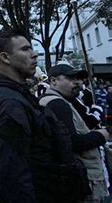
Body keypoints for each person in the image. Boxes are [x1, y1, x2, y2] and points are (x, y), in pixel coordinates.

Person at [0, 30, 88, 202]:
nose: (34, 54)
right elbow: (14, 174)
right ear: (5, 57)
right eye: (25, 49)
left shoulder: (11, 95)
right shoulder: (8, 102)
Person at [39, 64, 109, 202]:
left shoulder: (59, 101)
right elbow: (71, 143)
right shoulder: (57, 104)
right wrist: (101, 135)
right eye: (71, 78)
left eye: (80, 78)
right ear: (53, 81)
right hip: (83, 179)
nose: (78, 82)